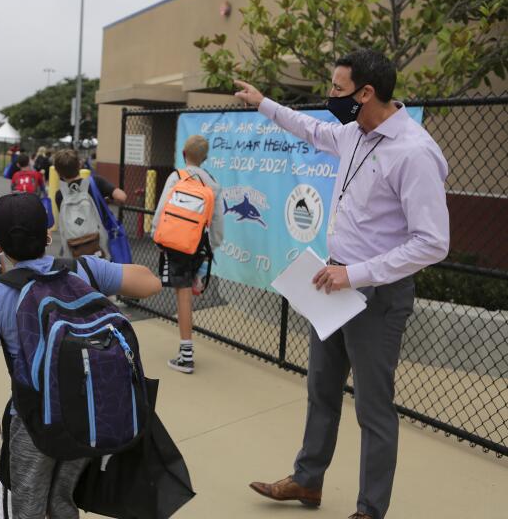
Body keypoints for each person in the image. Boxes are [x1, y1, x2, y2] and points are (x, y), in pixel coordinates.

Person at [238, 49, 450, 519]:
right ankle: (307, 482)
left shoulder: (413, 152)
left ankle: (370, 509)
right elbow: (310, 128)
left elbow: (433, 243)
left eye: (336, 89)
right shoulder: (355, 132)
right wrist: (262, 103)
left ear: (366, 93)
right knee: (321, 390)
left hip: (375, 294)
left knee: (373, 410)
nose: (330, 96)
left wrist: (353, 274)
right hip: (331, 283)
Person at [0, 192, 162, 518]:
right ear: (48, 236)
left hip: (32, 423)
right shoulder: (83, 271)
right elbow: (151, 284)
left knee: (22, 506)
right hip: (86, 417)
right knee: (62, 500)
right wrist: (101, 270)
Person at [151, 135, 223, 374]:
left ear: (184, 154)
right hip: (198, 244)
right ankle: (198, 277)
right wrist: (211, 247)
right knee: (188, 293)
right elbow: (217, 222)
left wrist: (156, 235)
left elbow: (162, 208)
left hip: (175, 244)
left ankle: (186, 355)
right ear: (205, 158)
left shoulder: (175, 177)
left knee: (182, 295)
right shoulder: (212, 183)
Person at [53, 149, 126, 259]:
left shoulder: (60, 195)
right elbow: (121, 197)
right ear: (79, 165)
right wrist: (106, 199)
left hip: (75, 249)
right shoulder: (95, 183)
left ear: (58, 172)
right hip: (99, 246)